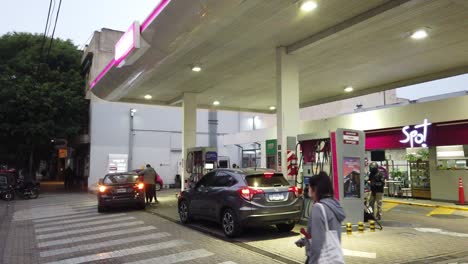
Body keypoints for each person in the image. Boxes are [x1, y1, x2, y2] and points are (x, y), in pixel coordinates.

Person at [296, 172, 346, 264]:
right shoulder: (334, 204)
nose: (308, 190)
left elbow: (317, 242)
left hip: (319, 259)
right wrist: (304, 241)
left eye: (309, 187)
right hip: (334, 258)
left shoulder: (318, 208)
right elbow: (327, 232)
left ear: (315, 189)